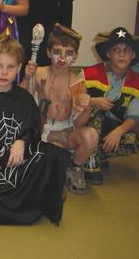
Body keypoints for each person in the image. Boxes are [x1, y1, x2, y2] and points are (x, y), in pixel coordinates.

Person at [0, 34, 70, 225]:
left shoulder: (24, 99)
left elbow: (33, 130)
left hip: (16, 165)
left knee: (53, 154)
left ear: (19, 68)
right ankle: (12, 202)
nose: (4, 72)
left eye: (10, 67)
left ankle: (28, 199)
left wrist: (22, 142)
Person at [21, 24, 98, 194]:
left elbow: (78, 124)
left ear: (76, 56)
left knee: (91, 135)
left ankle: (75, 167)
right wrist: (26, 79)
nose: (62, 58)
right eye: (57, 52)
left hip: (65, 133)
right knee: (41, 179)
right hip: (40, 131)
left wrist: (86, 109)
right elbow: (19, 102)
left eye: (69, 53)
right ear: (48, 53)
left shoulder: (77, 83)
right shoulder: (38, 73)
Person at [82, 27, 139, 185]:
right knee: (96, 113)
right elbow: (73, 99)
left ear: (133, 55)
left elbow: (134, 117)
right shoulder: (88, 74)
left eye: (126, 50)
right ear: (108, 54)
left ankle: (93, 155)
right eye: (116, 50)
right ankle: (90, 163)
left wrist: (118, 132)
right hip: (84, 125)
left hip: (111, 126)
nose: (121, 54)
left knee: (133, 141)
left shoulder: (137, 84)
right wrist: (92, 101)